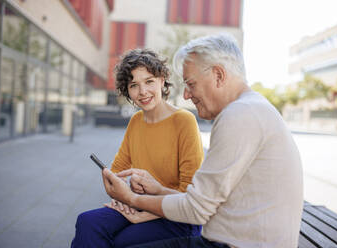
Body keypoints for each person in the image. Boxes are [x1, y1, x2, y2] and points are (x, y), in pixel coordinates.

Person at [102, 33, 304, 248]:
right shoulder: (252, 108)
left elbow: (196, 209)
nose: (186, 95)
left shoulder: (240, 115)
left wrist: (133, 200)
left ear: (218, 75)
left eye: (190, 83)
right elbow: (204, 200)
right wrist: (158, 189)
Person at [71, 49, 204, 248]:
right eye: (134, 85)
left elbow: (190, 195)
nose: (142, 92)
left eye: (149, 81)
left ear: (161, 80)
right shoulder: (136, 121)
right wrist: (117, 188)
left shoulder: (184, 121)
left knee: (121, 241)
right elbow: (118, 169)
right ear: (128, 91)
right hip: (140, 205)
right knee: (87, 222)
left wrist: (142, 211)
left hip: (178, 215)